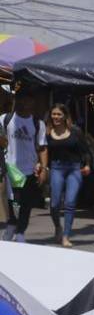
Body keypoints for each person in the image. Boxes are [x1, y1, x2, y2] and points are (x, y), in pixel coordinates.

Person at [1, 94, 48, 243]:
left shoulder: (38, 123)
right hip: (10, 170)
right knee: (14, 202)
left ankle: (20, 233)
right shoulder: (4, 119)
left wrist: (44, 168)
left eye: (28, 99)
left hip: (29, 170)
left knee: (26, 204)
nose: (24, 102)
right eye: (21, 99)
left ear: (33, 101)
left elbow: (42, 147)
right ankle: (12, 226)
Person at [46, 103, 89, 247]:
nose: (56, 117)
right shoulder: (47, 132)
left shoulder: (75, 131)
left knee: (70, 203)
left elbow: (85, 150)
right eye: (54, 114)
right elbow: (42, 150)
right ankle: (58, 226)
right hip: (56, 168)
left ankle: (66, 236)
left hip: (74, 169)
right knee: (55, 203)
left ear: (65, 116)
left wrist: (87, 164)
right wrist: (40, 164)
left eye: (59, 114)